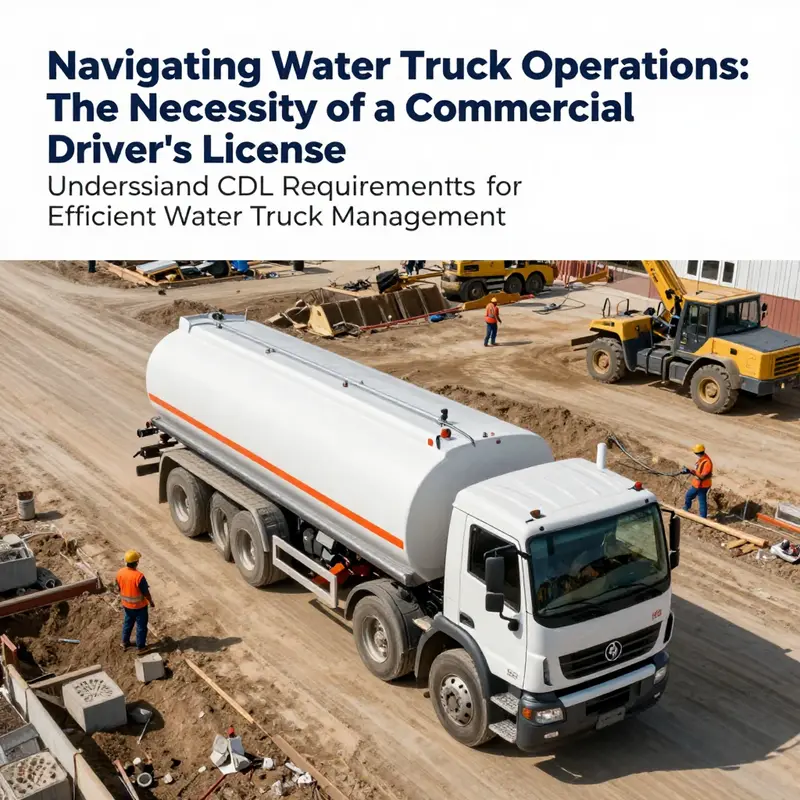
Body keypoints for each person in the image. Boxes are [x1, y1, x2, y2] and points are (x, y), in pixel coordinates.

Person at [116, 550, 155, 654]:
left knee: (128, 623)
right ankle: (141, 647)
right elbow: (146, 592)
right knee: (141, 626)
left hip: (126, 605)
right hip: (139, 607)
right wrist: (151, 601)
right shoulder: (139, 576)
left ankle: (125, 642)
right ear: (136, 562)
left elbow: (119, 587)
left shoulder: (120, 573)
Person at [682, 444, 713, 518]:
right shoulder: (702, 459)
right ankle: (686, 507)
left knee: (702, 501)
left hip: (702, 486)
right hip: (697, 484)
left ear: (697, 453)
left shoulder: (707, 462)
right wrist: (690, 471)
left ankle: (703, 517)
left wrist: (692, 472)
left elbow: (702, 477)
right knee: (688, 495)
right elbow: (698, 470)